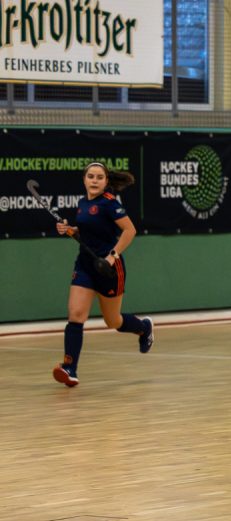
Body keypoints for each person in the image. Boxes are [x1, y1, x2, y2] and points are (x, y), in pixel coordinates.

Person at [52, 162, 154, 387]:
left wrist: (112, 256)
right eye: (91, 176)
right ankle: (70, 368)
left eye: (99, 177)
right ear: (84, 179)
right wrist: (71, 230)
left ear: (106, 181)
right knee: (76, 314)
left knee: (113, 321)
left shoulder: (109, 203)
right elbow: (88, 231)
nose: (94, 180)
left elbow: (130, 230)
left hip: (109, 269)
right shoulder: (83, 203)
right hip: (85, 265)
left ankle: (143, 327)